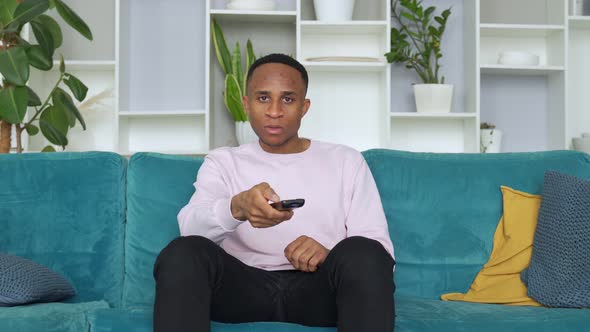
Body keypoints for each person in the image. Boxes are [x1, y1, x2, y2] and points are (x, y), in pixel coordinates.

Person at [153, 53, 395, 332]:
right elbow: (190, 228)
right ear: (246, 104)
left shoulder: (346, 160)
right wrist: (237, 207)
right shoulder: (223, 161)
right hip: (242, 291)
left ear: (304, 107)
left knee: (365, 252)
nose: (275, 111)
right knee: (183, 252)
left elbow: (380, 255)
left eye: (288, 99)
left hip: (320, 292)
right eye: (263, 98)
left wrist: (329, 255)